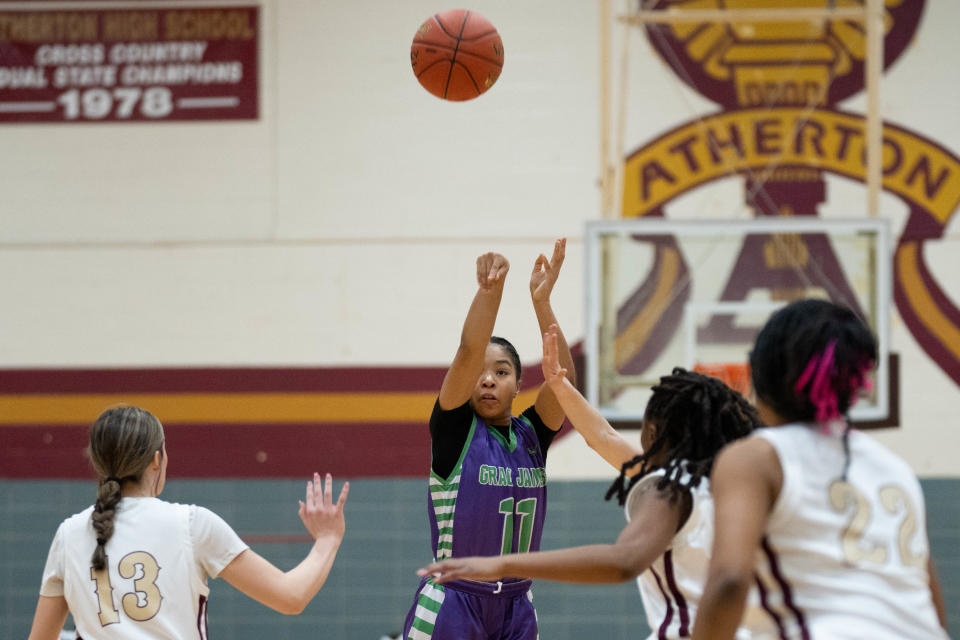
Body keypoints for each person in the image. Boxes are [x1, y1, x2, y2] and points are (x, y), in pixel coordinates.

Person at [418, 325, 763, 640]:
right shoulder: (733, 488)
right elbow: (603, 437)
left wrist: (502, 564)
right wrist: (560, 384)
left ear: (656, 433)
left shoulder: (669, 490)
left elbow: (622, 561)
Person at [693, 299, 950, 640]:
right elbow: (930, 606)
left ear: (758, 372)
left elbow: (729, 582)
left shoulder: (755, 458)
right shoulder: (896, 469)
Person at [28, 405, 349, 640]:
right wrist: (327, 540)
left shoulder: (69, 533)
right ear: (156, 459)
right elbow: (290, 597)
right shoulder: (192, 524)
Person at [401, 240, 576, 640]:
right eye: (482, 373)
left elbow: (562, 379)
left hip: (517, 604)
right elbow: (467, 353)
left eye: (501, 372)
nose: (487, 380)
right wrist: (490, 292)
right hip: (454, 601)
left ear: (518, 386)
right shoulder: (455, 430)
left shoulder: (532, 435)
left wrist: (543, 302)